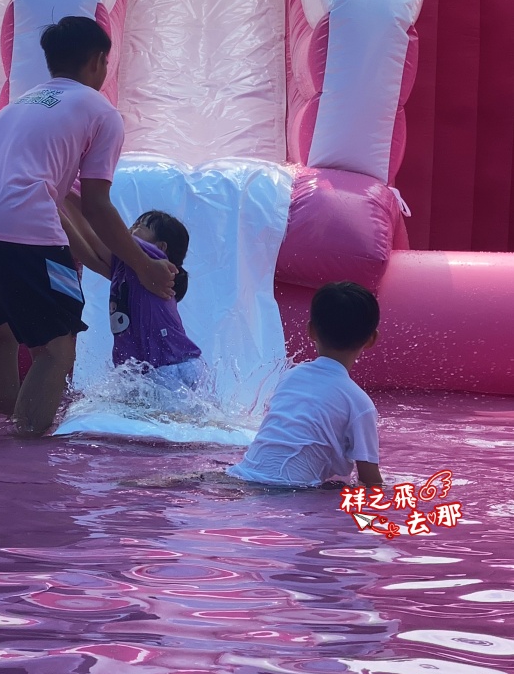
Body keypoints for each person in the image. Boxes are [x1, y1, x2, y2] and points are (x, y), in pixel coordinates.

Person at [0, 16, 177, 437]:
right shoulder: (100, 111)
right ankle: (27, 454)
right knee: (57, 349)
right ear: (100, 62)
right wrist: (142, 265)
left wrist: (114, 265)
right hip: (14, 224)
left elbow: (62, 212)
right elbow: (97, 208)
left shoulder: (21, 105)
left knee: (1, 333)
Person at [228, 281, 382, 489]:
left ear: (311, 330)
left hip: (240, 475)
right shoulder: (359, 403)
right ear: (372, 339)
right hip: (289, 491)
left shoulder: (288, 378)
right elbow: (370, 480)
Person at [64, 208, 204, 393]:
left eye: (140, 226)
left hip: (170, 367)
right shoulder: (127, 268)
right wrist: (59, 211)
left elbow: (98, 235)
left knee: (164, 418)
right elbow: (89, 253)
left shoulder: (155, 260)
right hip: (159, 368)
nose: (130, 229)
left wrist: (64, 202)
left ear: (160, 247)